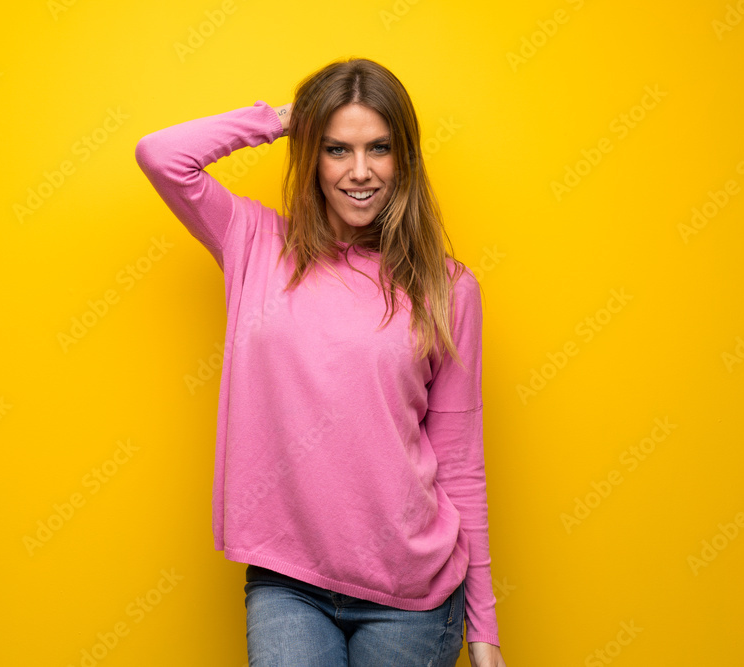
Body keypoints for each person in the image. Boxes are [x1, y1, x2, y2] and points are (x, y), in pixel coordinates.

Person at [135, 57, 506, 667]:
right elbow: (162, 156)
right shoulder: (254, 243)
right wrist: (286, 117)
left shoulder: (448, 288)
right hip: (288, 583)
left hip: (410, 595)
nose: (360, 172)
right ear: (311, 155)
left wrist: (484, 626)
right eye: (336, 149)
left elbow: (461, 459)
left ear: (405, 159)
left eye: (379, 148)